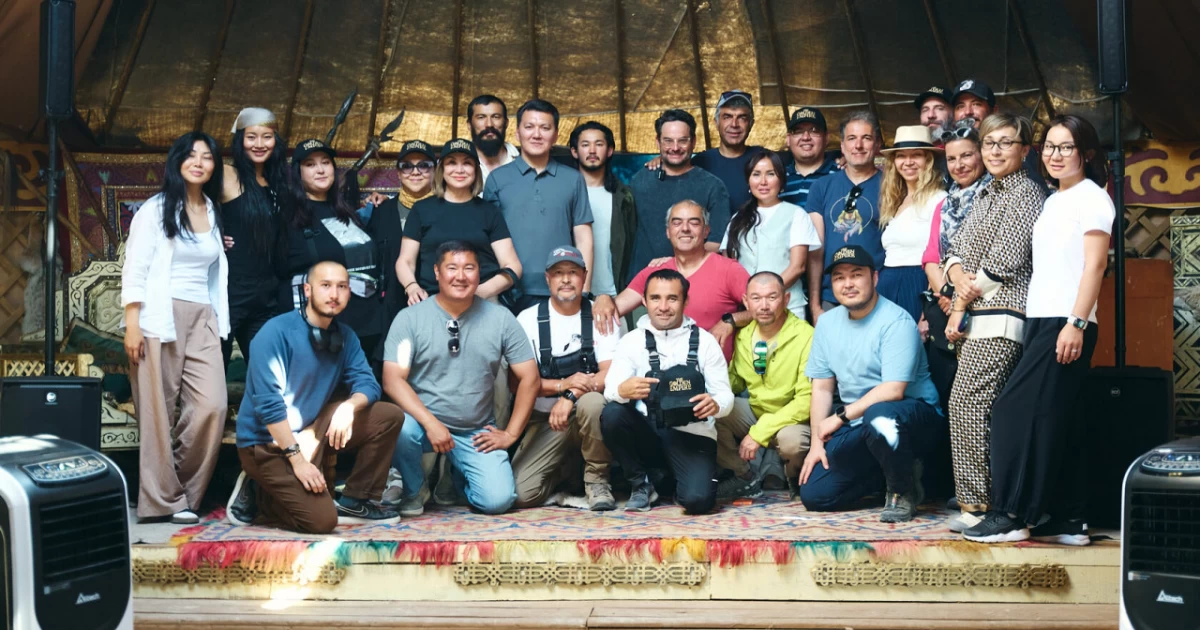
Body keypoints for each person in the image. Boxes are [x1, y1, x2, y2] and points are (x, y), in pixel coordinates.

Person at [965, 115, 1112, 544]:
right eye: (1050, 146)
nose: (1055, 154)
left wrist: (1076, 323)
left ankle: (1011, 515)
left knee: (1013, 410)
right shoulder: (1053, 200)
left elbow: (1095, 266)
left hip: (1066, 321)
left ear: (1085, 153)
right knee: (1063, 420)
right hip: (1041, 318)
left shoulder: (1092, 198)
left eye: (1066, 147)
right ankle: (1070, 518)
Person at [228, 261, 404, 532]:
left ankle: (355, 501)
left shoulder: (345, 336)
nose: (334, 294)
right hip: (267, 443)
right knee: (321, 521)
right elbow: (269, 406)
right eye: (325, 285)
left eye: (342, 286)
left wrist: (349, 407)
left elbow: (368, 384)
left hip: (311, 429)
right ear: (307, 290)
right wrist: (297, 461)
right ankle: (258, 490)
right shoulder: (275, 333)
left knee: (388, 416)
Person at [941, 113, 1046, 532]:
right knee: (975, 405)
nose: (996, 151)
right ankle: (978, 502)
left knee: (968, 402)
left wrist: (958, 305)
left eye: (1006, 143)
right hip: (977, 313)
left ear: (1025, 150)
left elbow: (1003, 263)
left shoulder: (1027, 194)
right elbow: (957, 249)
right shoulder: (986, 192)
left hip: (1003, 315)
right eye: (989, 143)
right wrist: (955, 274)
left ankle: (983, 505)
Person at [383, 241, 540, 516]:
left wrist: (511, 434)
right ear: (437, 272)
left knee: (498, 501)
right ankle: (414, 489)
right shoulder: (410, 318)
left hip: (474, 429)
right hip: (423, 426)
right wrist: (431, 423)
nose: (460, 276)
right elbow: (392, 379)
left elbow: (530, 378)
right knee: (400, 425)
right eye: (452, 268)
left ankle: (457, 477)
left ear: (479, 273)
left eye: (469, 268)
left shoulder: (501, 319)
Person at [122, 131, 229, 524]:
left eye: (207, 157)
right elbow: (135, 268)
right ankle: (162, 501)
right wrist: (132, 325)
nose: (199, 163)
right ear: (177, 160)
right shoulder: (155, 209)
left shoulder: (213, 211)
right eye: (191, 155)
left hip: (203, 316)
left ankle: (180, 493)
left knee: (212, 406)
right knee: (157, 412)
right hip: (158, 317)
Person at [798, 246, 944, 523]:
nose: (848, 284)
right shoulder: (827, 324)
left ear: (874, 278)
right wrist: (816, 444)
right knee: (816, 495)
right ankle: (899, 473)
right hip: (859, 423)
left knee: (879, 415)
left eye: (856, 275)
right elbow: (822, 388)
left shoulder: (896, 321)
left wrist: (839, 418)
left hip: (912, 418)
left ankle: (902, 491)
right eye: (839, 278)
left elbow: (893, 390)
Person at [601, 269, 733, 514]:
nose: (663, 307)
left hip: (692, 434)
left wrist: (715, 404)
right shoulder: (631, 341)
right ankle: (640, 483)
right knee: (612, 413)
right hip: (647, 433)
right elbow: (610, 391)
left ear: (685, 301)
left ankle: (669, 481)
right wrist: (622, 389)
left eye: (672, 298)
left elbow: (725, 396)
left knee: (697, 501)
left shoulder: (705, 341)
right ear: (644, 301)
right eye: (655, 298)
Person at [512, 247, 619, 510]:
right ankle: (568, 473)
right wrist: (562, 385)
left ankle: (597, 481)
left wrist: (571, 395)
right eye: (558, 273)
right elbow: (515, 383)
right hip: (546, 420)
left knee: (593, 403)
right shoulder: (527, 320)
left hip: (588, 416)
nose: (566, 279)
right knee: (522, 494)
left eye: (573, 272)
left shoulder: (600, 314)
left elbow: (611, 373)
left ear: (584, 276)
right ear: (547, 279)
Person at [595, 201, 750, 359]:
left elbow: (763, 308)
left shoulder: (729, 269)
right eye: (677, 223)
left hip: (713, 370)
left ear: (706, 231)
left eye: (694, 223)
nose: (685, 228)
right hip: (661, 370)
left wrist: (731, 320)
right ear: (668, 232)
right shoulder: (655, 271)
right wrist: (604, 298)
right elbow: (614, 308)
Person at [279, 138, 387, 361]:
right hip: (326, 333)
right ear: (298, 173)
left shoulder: (347, 210)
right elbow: (279, 277)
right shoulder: (288, 217)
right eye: (310, 164)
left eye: (325, 162)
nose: (320, 170)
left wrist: (384, 205)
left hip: (369, 327)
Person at [482, 99, 594, 312]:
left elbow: (583, 237)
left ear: (555, 135)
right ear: (517, 133)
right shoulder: (497, 179)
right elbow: (487, 240)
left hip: (561, 289)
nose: (536, 134)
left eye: (545, 128)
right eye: (529, 127)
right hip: (509, 292)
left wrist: (585, 291)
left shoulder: (573, 179)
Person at [717, 272, 814, 500]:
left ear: (786, 299)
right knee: (712, 411)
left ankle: (795, 479)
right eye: (756, 298)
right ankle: (744, 477)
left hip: (793, 420)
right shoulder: (745, 335)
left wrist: (760, 432)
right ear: (746, 301)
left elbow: (807, 401)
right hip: (756, 412)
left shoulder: (806, 336)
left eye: (772, 297)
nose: (764, 306)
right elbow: (735, 382)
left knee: (792, 442)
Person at [395, 139, 521, 306]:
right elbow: (405, 261)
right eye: (452, 163)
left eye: (467, 163)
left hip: (483, 303)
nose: (459, 170)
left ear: (476, 170)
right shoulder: (421, 210)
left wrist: (480, 292)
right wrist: (412, 287)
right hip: (433, 302)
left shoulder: (489, 212)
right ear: (442, 169)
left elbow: (512, 266)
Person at [920, 122, 990, 415]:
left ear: (982, 155)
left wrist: (960, 298)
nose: (959, 165)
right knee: (946, 399)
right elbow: (930, 258)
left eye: (966, 155)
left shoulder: (995, 196)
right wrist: (948, 297)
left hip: (985, 302)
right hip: (946, 307)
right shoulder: (944, 204)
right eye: (951, 158)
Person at [625, 109, 731, 278]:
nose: (675, 148)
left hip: (693, 283)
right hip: (642, 283)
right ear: (658, 142)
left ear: (693, 142)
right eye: (668, 141)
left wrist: (675, 262)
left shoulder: (713, 186)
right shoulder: (640, 180)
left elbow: (716, 243)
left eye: (682, 141)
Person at [220, 107, 289, 366]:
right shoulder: (226, 174)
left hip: (267, 296)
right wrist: (211, 235)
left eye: (267, 137)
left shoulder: (280, 180)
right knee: (212, 374)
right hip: (230, 293)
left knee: (270, 371)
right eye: (251, 137)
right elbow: (188, 204)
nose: (259, 144)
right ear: (240, 140)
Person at [722, 149, 823, 319]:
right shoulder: (737, 219)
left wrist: (765, 297)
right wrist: (752, 301)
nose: (763, 181)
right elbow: (728, 264)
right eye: (756, 174)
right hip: (747, 309)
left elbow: (797, 267)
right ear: (748, 181)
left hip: (788, 307)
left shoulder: (796, 215)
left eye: (770, 174)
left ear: (781, 180)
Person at [806, 111, 884, 323]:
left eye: (866, 138)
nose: (858, 145)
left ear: (877, 144)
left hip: (878, 295)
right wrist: (815, 305)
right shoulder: (821, 187)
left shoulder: (891, 186)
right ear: (842, 146)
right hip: (832, 296)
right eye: (851, 138)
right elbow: (815, 251)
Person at [877, 126, 947, 322]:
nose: (908, 162)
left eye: (916, 155)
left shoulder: (939, 199)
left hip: (918, 282)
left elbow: (942, 256)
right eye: (901, 156)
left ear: (928, 160)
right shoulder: (896, 201)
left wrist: (928, 308)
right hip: (887, 284)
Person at [367, 140, 436, 323]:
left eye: (424, 165)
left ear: (435, 171)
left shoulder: (446, 209)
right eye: (407, 166)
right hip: (390, 311)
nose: (415, 172)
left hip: (437, 306)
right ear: (398, 173)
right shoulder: (380, 211)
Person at [569, 121, 638, 300]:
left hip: (615, 294)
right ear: (574, 151)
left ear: (609, 150)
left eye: (599, 144)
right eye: (585, 145)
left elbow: (634, 244)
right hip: (571, 293)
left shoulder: (624, 196)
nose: (592, 151)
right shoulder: (564, 195)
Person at [951, 78, 1047, 193]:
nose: (967, 112)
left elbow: (1036, 193)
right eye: (960, 106)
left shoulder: (1015, 148)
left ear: (994, 111)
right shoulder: (953, 152)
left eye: (976, 104)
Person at [692, 90, 763, 218]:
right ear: (716, 122)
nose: (734, 124)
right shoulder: (699, 163)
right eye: (727, 117)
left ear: (751, 124)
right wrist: (661, 161)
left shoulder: (764, 160)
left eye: (742, 118)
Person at [779, 107, 839, 209]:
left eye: (814, 130)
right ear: (788, 139)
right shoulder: (777, 178)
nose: (806, 137)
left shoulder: (842, 176)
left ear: (826, 138)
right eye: (798, 131)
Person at [468, 94, 521, 184]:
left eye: (496, 117)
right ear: (469, 125)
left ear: (506, 123)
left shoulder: (523, 162)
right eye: (481, 117)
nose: (489, 124)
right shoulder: (457, 167)